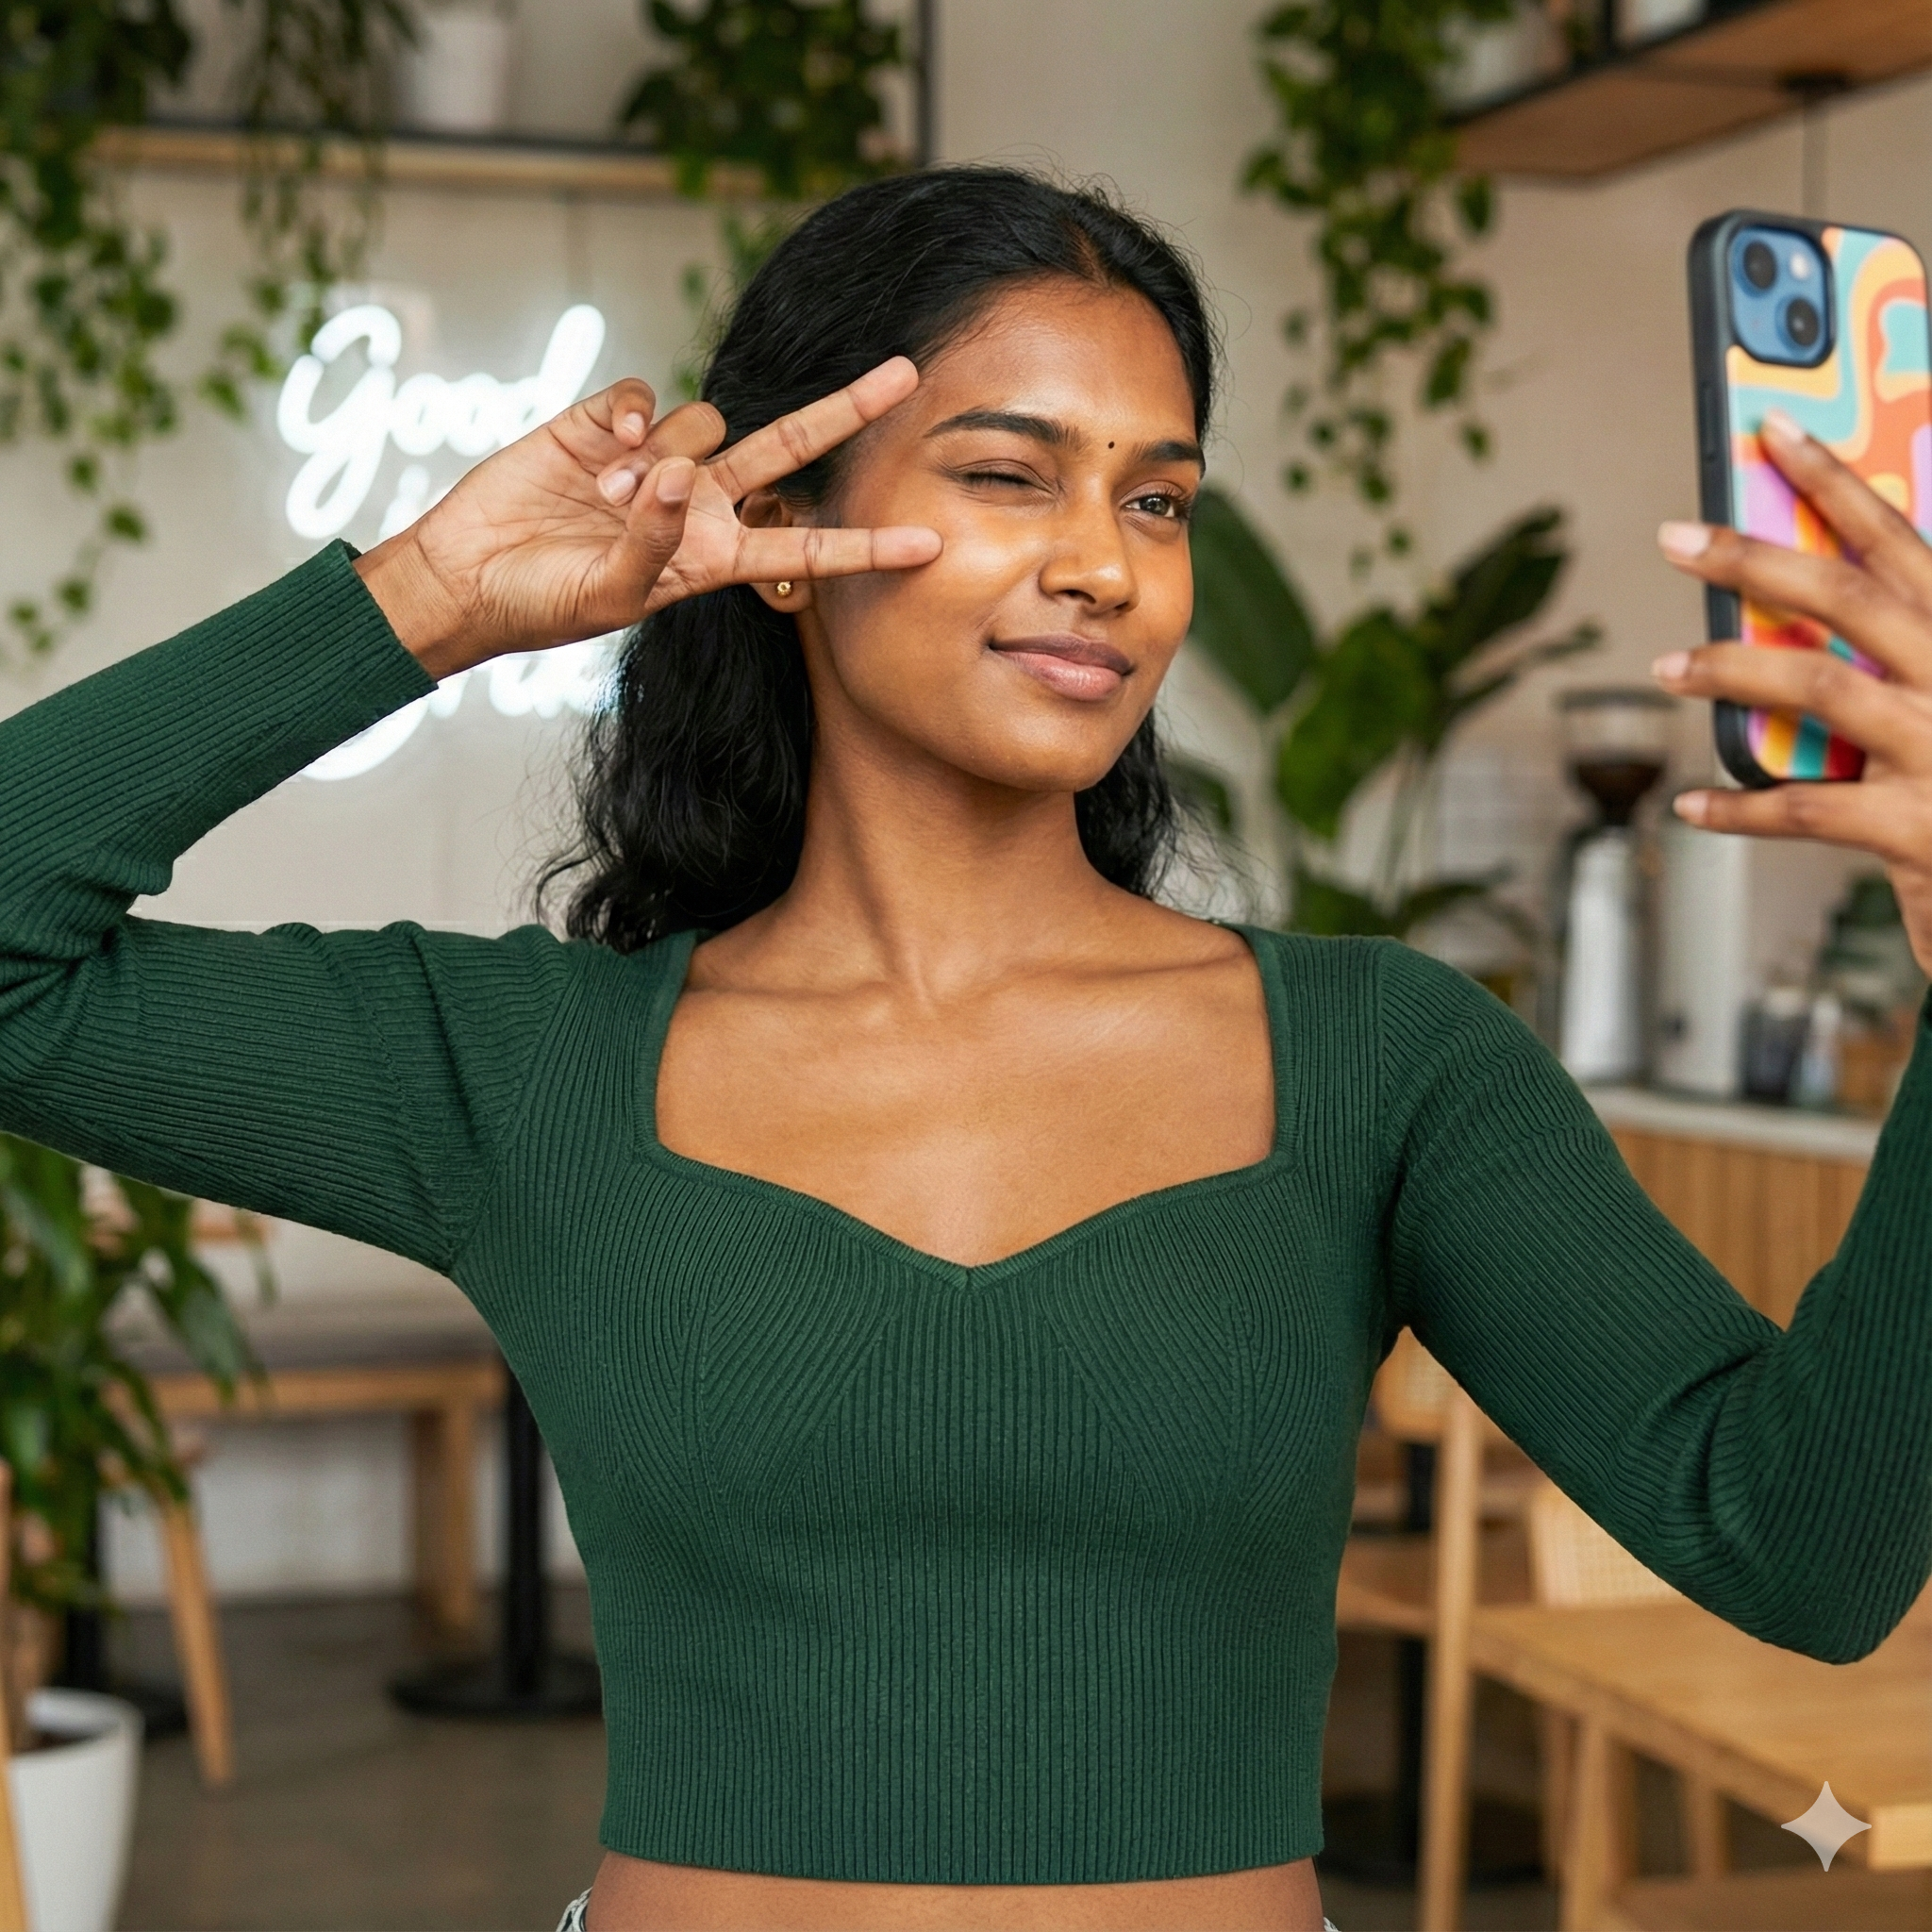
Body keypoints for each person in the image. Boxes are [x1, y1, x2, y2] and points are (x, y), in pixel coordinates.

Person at [1, 166, 1927, 1932]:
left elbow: (1804, 1550)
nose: (1107, 564)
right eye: (1013, 476)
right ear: (782, 535)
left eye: (1155, 499)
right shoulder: (529, 1071)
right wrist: (421, 603)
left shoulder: (1382, 1065)